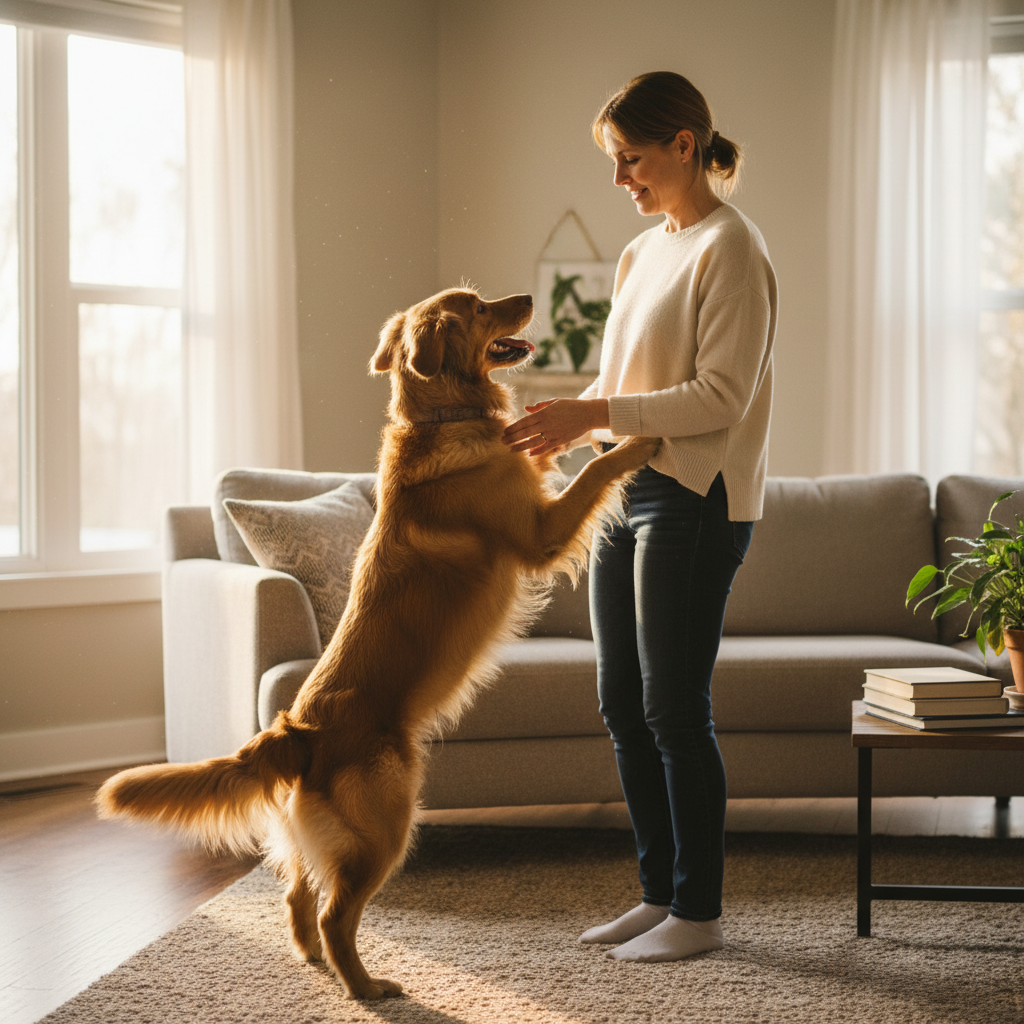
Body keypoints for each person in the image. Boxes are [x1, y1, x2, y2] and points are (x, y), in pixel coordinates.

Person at [503, 71, 777, 963]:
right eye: (616, 163)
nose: (621, 179)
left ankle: (698, 911)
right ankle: (660, 895)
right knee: (621, 702)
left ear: (684, 146)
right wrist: (561, 422)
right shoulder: (641, 252)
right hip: (624, 486)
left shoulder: (732, 248)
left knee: (672, 707)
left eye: (631, 160)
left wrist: (591, 416)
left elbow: (719, 397)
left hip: (697, 495)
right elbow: (622, 388)